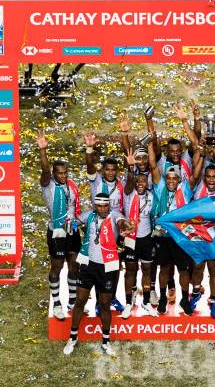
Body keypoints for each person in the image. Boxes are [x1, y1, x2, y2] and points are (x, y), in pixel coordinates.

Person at [63, 193, 135, 356]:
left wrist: (126, 225)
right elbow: (73, 224)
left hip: (108, 267)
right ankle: (72, 337)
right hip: (88, 265)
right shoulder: (89, 215)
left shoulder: (115, 215)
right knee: (80, 301)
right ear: (95, 205)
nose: (102, 209)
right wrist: (69, 224)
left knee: (104, 304)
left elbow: (121, 222)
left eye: (105, 205)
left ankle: (106, 341)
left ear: (109, 205)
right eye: (99, 206)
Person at [148, 140, 201, 315]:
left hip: (180, 236)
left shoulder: (185, 188)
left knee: (183, 270)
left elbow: (196, 173)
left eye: (174, 178)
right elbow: (153, 165)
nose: (171, 181)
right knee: (164, 268)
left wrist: (200, 152)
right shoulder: (160, 186)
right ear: (165, 178)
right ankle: (163, 298)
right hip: (162, 236)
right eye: (168, 177)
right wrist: (150, 144)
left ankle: (184, 300)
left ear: (179, 179)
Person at [37, 131, 80, 320]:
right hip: (57, 231)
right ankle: (56, 302)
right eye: (59, 173)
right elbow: (45, 170)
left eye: (65, 172)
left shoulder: (71, 184)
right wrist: (43, 150)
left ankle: (72, 301)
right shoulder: (48, 184)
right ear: (54, 174)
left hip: (72, 230)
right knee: (57, 267)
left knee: (74, 265)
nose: (63, 176)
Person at [83, 133, 126, 313]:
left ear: (116, 171)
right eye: (107, 169)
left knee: (113, 267)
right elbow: (90, 166)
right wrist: (89, 149)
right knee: (95, 266)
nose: (110, 172)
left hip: (115, 229)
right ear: (103, 171)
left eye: (113, 169)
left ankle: (112, 296)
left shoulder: (122, 184)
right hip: (97, 228)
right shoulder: (97, 182)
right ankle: (98, 303)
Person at [189, 139, 215, 318]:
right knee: (198, 267)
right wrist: (203, 153)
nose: (212, 180)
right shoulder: (199, 186)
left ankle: (214, 300)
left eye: (214, 177)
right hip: (198, 233)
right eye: (209, 177)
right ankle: (196, 291)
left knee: (214, 269)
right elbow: (195, 172)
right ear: (205, 178)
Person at [121, 148, 159, 318]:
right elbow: (129, 182)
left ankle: (146, 303)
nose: (140, 183)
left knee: (146, 269)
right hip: (131, 238)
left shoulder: (152, 195)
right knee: (130, 270)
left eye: (143, 181)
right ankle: (129, 302)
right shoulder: (129, 193)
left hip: (146, 238)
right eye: (138, 181)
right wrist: (130, 168)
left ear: (147, 182)